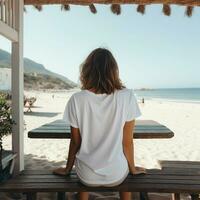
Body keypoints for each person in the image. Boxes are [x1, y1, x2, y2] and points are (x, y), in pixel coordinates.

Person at [53, 48, 146, 200]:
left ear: (87, 70)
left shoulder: (77, 99)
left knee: (85, 173)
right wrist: (133, 169)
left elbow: (76, 142)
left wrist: (67, 169)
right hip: (115, 174)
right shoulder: (127, 96)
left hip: (86, 175)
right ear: (114, 70)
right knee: (123, 168)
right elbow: (127, 142)